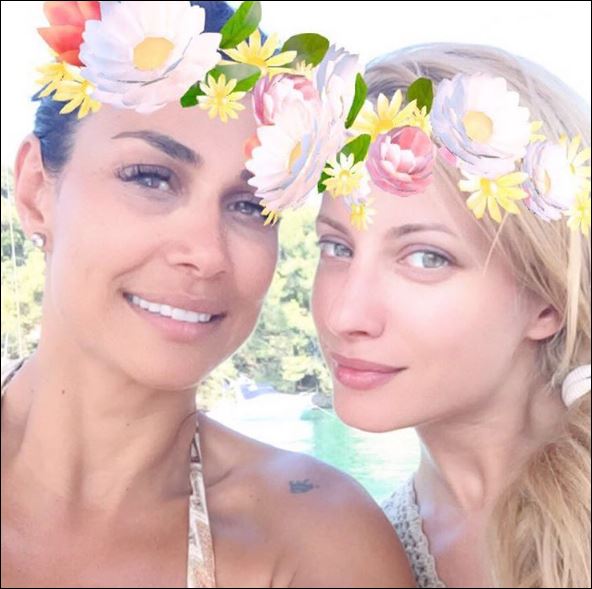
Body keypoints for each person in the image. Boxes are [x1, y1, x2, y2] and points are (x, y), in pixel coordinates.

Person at [1, 2, 414, 587]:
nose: (207, 253)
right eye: (151, 177)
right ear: (35, 191)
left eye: (249, 206)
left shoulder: (317, 542)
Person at [311, 42, 591, 587]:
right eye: (336, 247)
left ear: (548, 301)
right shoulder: (354, 558)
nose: (345, 315)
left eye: (426, 258)